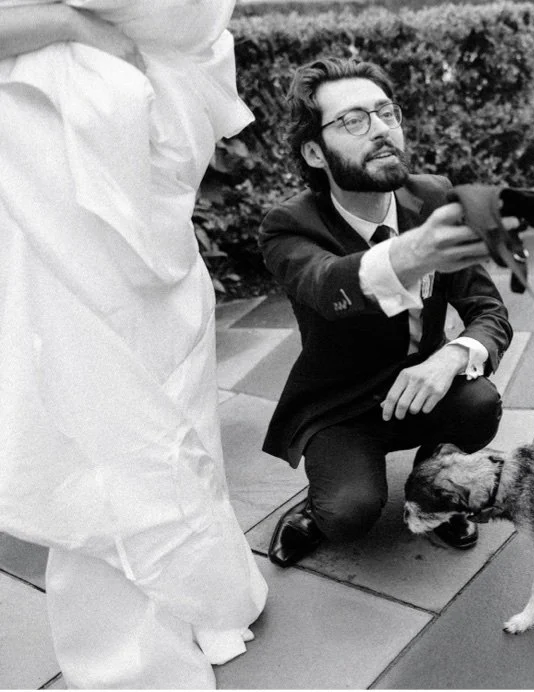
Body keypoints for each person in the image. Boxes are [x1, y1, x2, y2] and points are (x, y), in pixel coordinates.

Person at [0, 0, 268, 686]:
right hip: (53, 163)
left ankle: (203, 598)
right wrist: (71, 26)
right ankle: (133, 662)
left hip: (141, 153)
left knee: (171, 399)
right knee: (100, 416)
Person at [258, 57, 514, 568]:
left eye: (386, 112)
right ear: (314, 151)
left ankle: (439, 488)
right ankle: (321, 506)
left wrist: (452, 357)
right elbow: (329, 286)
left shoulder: (434, 195)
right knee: (350, 514)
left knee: (480, 401)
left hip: (424, 389)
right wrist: (414, 252)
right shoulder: (289, 225)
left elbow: (488, 311)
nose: (381, 130)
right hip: (341, 407)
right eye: (354, 121)